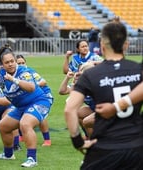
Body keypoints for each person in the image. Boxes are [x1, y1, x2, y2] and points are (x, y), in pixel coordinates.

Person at [64, 21, 143, 169]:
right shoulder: (138, 70)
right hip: (136, 147)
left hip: (105, 148)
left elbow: (69, 109)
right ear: (126, 45)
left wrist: (78, 142)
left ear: (102, 46)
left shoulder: (90, 74)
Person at [0, 46, 51, 168]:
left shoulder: (24, 71)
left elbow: (31, 88)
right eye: (6, 62)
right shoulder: (0, 74)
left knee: (25, 124)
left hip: (39, 102)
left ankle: (32, 159)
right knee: (3, 126)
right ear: (2, 65)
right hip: (21, 106)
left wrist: (14, 80)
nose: (10, 64)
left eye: (12, 61)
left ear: (15, 60)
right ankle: (8, 155)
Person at [16, 54, 53, 146]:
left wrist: (32, 86)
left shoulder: (29, 71)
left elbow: (43, 81)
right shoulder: (15, 74)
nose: (21, 65)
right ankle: (21, 136)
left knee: (40, 115)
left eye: (23, 63)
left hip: (44, 96)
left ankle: (47, 140)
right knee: (18, 112)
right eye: (19, 63)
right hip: (29, 97)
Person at [59, 62, 96, 138]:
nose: (78, 73)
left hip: (106, 110)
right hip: (94, 109)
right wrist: (69, 79)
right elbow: (62, 91)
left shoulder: (96, 82)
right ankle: (89, 137)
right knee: (76, 113)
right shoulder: (81, 83)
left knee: (87, 121)